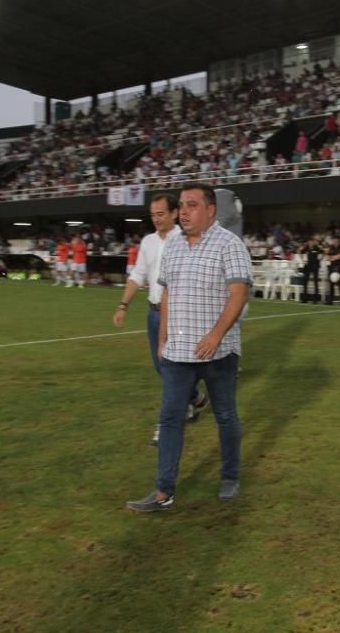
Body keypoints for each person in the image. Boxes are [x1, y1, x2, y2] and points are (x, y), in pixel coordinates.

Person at [127, 185, 253, 512]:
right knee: (170, 419)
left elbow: (238, 294)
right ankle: (162, 491)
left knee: (225, 416)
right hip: (178, 353)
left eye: (191, 205)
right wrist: (162, 338)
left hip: (219, 351)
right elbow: (166, 293)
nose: (183, 212)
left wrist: (215, 335)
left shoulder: (230, 244)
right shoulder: (174, 247)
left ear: (210, 209)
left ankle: (229, 475)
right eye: (181, 206)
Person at [112, 193, 209, 445]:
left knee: (171, 370)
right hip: (154, 313)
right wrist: (123, 305)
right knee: (162, 368)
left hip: (179, 315)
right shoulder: (148, 242)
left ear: (174, 213)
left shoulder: (187, 239)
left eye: (160, 214)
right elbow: (138, 275)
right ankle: (194, 397)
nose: (155, 219)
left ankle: (166, 425)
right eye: (152, 215)